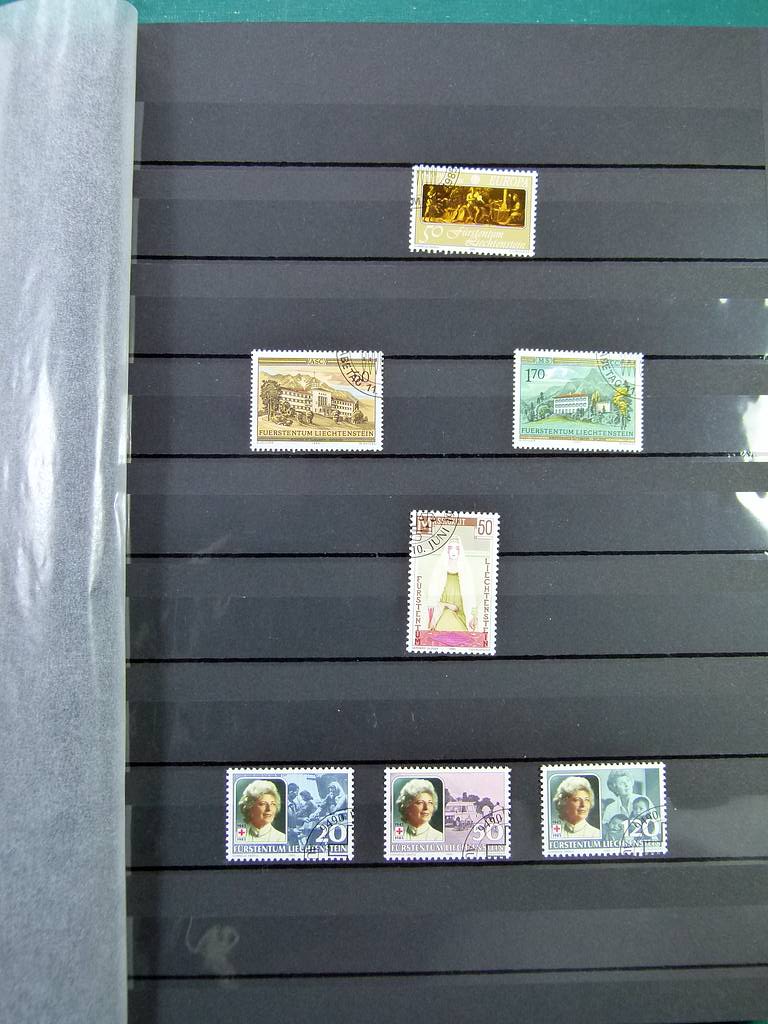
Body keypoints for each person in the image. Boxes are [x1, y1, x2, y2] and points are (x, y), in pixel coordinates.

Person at [425, 537, 477, 634]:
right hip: (443, 611)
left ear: (460, 551)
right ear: (447, 551)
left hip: (461, 613)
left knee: (461, 634)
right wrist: (446, 606)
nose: (453, 551)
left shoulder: (465, 570)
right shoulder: (439, 570)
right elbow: (432, 598)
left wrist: (473, 616)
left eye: (457, 548)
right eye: (450, 548)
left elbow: (472, 598)